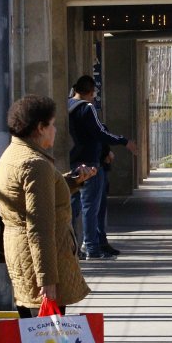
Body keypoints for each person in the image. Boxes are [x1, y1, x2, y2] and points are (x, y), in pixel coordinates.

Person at [0, 95, 95, 343]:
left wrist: (72, 181)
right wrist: (47, 280)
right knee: (46, 336)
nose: (54, 131)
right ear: (39, 128)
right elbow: (39, 226)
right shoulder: (35, 164)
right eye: (51, 125)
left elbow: (36, 202)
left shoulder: (13, 154)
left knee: (33, 332)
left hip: (21, 255)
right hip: (40, 258)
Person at [68, 75, 137, 260]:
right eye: (93, 94)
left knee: (71, 208)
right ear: (90, 92)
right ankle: (92, 247)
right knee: (91, 206)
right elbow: (100, 132)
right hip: (90, 164)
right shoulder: (87, 108)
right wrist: (123, 141)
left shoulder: (66, 106)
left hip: (71, 163)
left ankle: (72, 247)